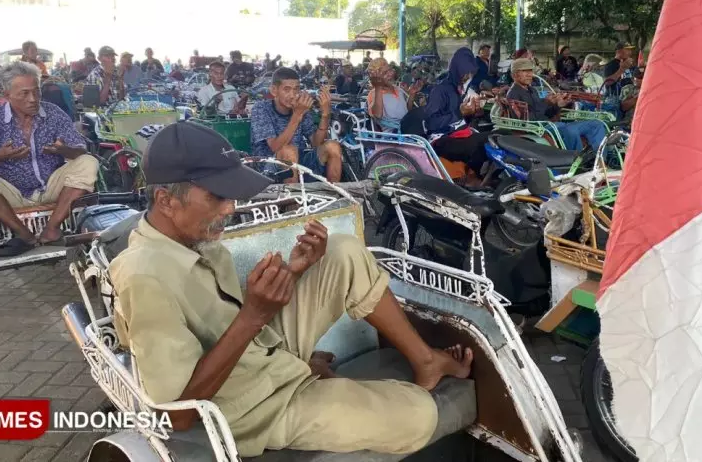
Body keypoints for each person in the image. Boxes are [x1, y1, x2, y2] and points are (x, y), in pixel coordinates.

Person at [109, 121, 472, 457]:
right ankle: (303, 381)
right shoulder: (144, 277)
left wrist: (295, 272)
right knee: (419, 415)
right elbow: (179, 416)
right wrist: (254, 317)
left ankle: (425, 360)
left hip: (259, 355)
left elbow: (234, 323)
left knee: (341, 250)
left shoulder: (195, 240)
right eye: (216, 197)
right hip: (250, 408)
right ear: (165, 201)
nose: (231, 207)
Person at [0, 61, 98, 256]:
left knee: (89, 162)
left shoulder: (54, 114)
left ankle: (51, 229)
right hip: (9, 195)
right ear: (7, 95)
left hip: (50, 188)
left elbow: (80, 150)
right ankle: (23, 234)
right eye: (24, 93)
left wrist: (63, 150)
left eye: (37, 91)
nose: (33, 99)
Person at [250, 67, 341, 182]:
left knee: (333, 146)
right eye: (287, 90)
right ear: (274, 90)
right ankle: (294, 199)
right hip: (269, 167)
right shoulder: (261, 108)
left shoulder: (300, 108)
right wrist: (297, 115)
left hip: (298, 161)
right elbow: (275, 147)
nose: (293, 95)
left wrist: (325, 115)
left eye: (296, 89)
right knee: (289, 151)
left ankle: (335, 194)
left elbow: (316, 143)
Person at [505, 58, 606, 152]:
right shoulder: (513, 94)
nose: (529, 74)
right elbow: (530, 121)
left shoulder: (532, 90)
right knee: (572, 130)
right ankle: (577, 161)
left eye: (530, 71)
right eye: (524, 71)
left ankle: (600, 161)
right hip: (541, 128)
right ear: (514, 75)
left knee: (597, 124)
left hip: (554, 125)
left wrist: (558, 105)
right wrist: (547, 102)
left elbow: (546, 113)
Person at [424, 47, 488, 179]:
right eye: (464, 73)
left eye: (470, 74)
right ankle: (475, 179)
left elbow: (460, 119)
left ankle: (482, 180)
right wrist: (459, 112)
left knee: (492, 138)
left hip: (456, 134)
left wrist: (472, 113)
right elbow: (431, 123)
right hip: (439, 139)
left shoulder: (458, 88)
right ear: (455, 69)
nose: (467, 77)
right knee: (480, 143)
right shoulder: (440, 90)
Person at [367, 58, 421, 132]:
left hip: (408, 129)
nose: (391, 74)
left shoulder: (398, 89)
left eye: (390, 70)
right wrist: (378, 87)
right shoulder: (374, 93)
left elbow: (406, 112)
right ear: (376, 77)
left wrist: (411, 95)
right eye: (385, 73)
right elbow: (377, 115)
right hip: (394, 136)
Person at [602, 42, 635, 116]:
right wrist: (621, 69)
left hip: (628, 99)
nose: (630, 52)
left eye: (630, 50)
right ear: (618, 52)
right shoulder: (611, 65)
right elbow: (607, 82)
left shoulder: (630, 64)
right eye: (627, 50)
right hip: (615, 100)